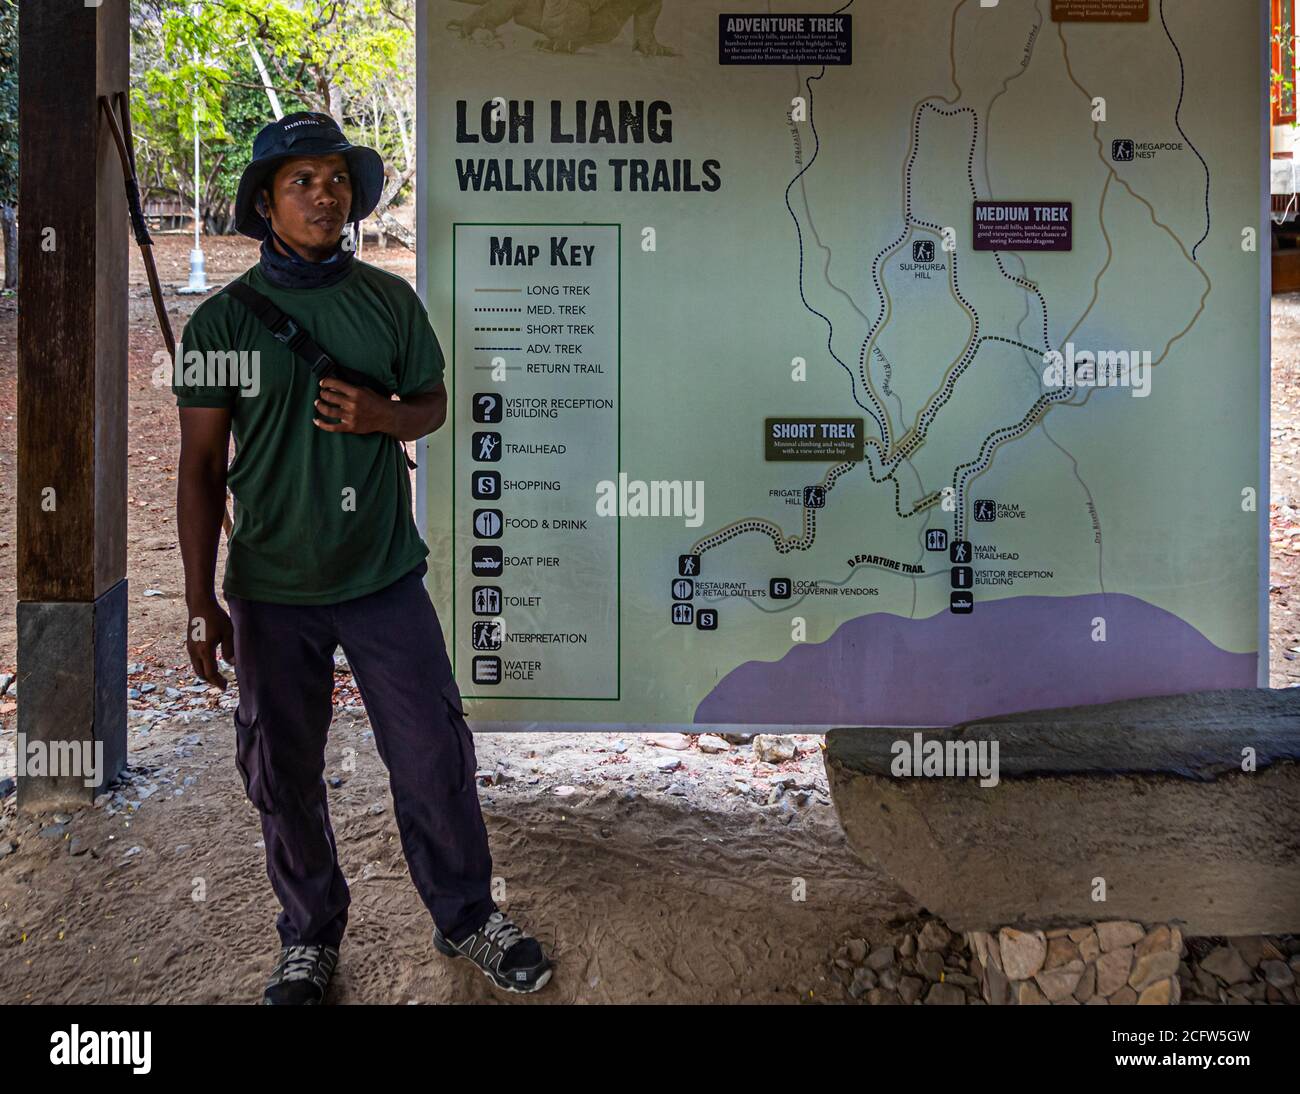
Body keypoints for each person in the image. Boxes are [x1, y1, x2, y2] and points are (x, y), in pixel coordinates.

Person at [173, 112, 552, 1003]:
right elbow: (197, 468)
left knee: (431, 756)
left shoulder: (389, 304)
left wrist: (386, 416)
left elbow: (432, 403)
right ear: (265, 203)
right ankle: (308, 937)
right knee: (281, 769)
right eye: (300, 181)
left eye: (335, 179)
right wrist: (199, 599)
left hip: (384, 579)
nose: (323, 194)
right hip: (271, 588)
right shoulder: (223, 326)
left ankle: (467, 917)